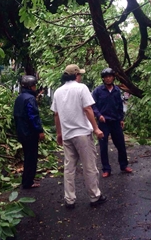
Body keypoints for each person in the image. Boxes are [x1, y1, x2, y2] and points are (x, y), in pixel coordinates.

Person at [51, 64, 107, 209]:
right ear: (76, 75)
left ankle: (69, 199)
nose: (81, 76)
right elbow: (88, 109)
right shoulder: (81, 88)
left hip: (67, 135)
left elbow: (56, 114)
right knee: (89, 166)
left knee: (69, 168)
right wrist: (96, 129)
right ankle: (95, 196)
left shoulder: (58, 92)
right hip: (82, 134)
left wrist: (59, 133)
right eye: (79, 74)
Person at [92, 68, 132, 178]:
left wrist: (121, 119)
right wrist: (98, 115)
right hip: (104, 122)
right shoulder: (98, 91)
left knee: (121, 144)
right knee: (103, 146)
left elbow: (120, 105)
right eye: (106, 77)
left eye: (110, 76)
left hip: (115, 121)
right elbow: (92, 105)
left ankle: (124, 165)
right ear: (103, 79)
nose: (108, 78)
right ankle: (106, 169)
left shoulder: (117, 90)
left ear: (113, 78)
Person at [13, 75, 45, 189]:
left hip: (21, 132)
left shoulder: (19, 98)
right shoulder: (30, 99)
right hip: (30, 133)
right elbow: (33, 117)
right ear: (31, 86)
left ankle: (27, 179)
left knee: (27, 157)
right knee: (31, 158)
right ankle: (28, 182)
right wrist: (39, 131)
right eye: (35, 85)